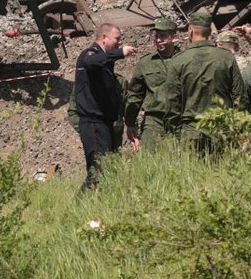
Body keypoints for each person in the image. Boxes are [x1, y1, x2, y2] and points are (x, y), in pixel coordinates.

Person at [164, 10, 247, 149]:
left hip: (191, 131)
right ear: (210, 32)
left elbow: (172, 102)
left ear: (190, 30)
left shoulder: (178, 61)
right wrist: (238, 127)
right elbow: (240, 97)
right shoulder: (226, 58)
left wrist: (176, 133)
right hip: (222, 129)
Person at [73, 22, 136, 191]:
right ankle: (78, 207)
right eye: (116, 39)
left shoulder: (104, 60)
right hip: (93, 122)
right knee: (98, 170)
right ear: (103, 38)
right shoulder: (90, 54)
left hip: (104, 123)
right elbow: (91, 62)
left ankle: (96, 206)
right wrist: (119, 53)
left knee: (106, 168)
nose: (119, 43)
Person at [125, 17, 179, 150]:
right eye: (156, 36)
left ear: (173, 37)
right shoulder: (146, 63)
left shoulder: (185, 59)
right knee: (150, 157)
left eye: (163, 36)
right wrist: (130, 122)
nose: (159, 40)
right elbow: (135, 94)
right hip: (154, 119)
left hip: (180, 118)